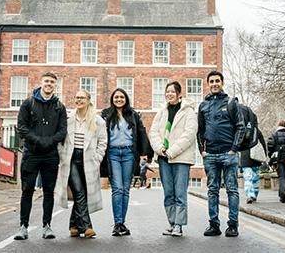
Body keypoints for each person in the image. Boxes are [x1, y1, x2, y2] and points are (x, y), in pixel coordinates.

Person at [14, 71, 68, 240]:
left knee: (48, 192)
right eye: (46, 81)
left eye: (52, 82)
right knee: (27, 190)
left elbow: (63, 130)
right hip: (31, 153)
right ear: (41, 82)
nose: (49, 84)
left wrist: (50, 141)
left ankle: (47, 226)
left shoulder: (60, 107)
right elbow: (21, 127)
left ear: (55, 85)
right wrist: (38, 140)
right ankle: (23, 227)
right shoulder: (28, 103)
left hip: (51, 155)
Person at [197, 70, 245, 237]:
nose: (214, 83)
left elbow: (241, 126)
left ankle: (232, 225)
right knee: (212, 191)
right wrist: (202, 150)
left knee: (232, 190)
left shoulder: (231, 103)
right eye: (211, 81)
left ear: (222, 83)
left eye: (217, 81)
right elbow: (200, 131)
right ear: (208, 84)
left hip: (229, 154)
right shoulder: (203, 106)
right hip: (210, 155)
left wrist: (234, 149)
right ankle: (214, 225)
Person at [54, 89, 107, 239]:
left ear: (89, 100)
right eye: (77, 97)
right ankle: (87, 226)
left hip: (88, 160)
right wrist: (61, 156)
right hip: (70, 160)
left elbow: (103, 142)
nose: (79, 100)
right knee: (79, 191)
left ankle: (74, 226)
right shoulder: (67, 119)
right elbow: (59, 139)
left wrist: (97, 159)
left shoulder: (98, 121)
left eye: (82, 98)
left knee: (82, 192)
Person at [149, 81, 198, 237]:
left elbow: (189, 135)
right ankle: (171, 223)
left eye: (172, 92)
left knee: (180, 193)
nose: (169, 94)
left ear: (179, 94)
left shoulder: (188, 111)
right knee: (168, 192)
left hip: (181, 158)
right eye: (167, 92)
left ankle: (179, 224)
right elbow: (153, 132)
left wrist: (172, 151)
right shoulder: (162, 111)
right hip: (164, 158)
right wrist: (160, 148)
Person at [101, 88, 152, 237]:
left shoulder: (133, 115)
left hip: (129, 153)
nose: (119, 99)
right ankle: (117, 223)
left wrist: (146, 154)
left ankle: (121, 223)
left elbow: (141, 133)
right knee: (117, 188)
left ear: (126, 99)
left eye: (121, 97)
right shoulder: (106, 115)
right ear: (112, 99)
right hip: (113, 154)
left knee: (125, 189)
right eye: (116, 97)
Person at [240, 130, 267, 204]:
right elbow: (263, 144)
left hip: (245, 158)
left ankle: (250, 195)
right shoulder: (257, 131)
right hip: (256, 158)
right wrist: (264, 156)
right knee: (255, 178)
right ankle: (254, 195)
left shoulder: (242, 130)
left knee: (248, 178)